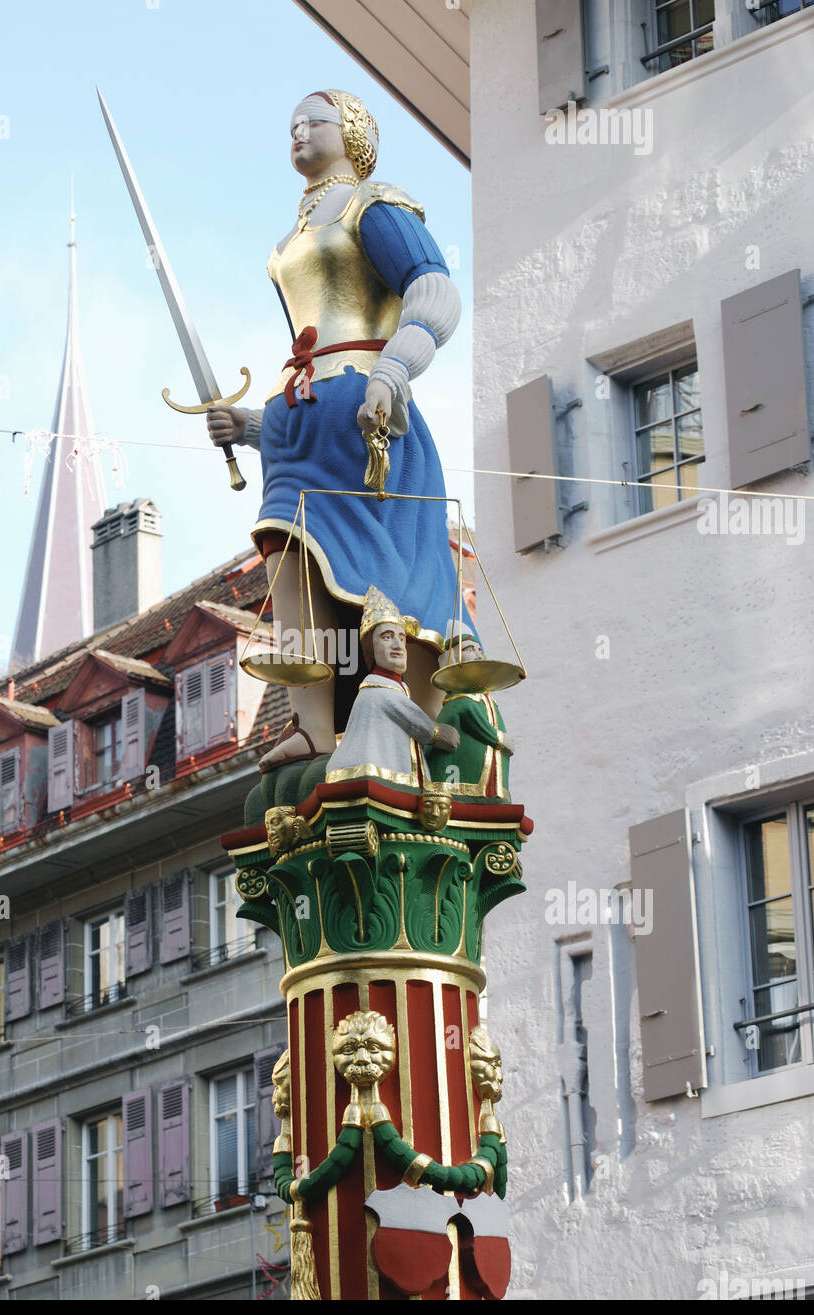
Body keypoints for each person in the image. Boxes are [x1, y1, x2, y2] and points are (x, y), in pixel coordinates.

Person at [207, 89, 462, 771]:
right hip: (299, 408)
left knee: (378, 564)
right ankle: (313, 720)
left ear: (351, 131)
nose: (296, 132)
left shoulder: (371, 205)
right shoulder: (289, 239)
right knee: (286, 554)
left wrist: (394, 371)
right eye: (289, 124)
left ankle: (403, 695)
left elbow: (432, 287)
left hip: (363, 403)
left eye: (313, 120)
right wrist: (253, 425)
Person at [325, 587, 458, 788]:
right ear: (370, 649)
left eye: (402, 638)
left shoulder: (398, 688)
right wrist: (439, 733)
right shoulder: (377, 691)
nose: (398, 645)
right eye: (387, 637)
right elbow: (416, 721)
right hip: (373, 772)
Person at [426, 623, 515, 801]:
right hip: (459, 782)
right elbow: (467, 712)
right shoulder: (460, 701)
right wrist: (499, 739)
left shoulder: (484, 699)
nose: (477, 653)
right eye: (469, 649)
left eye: (479, 649)